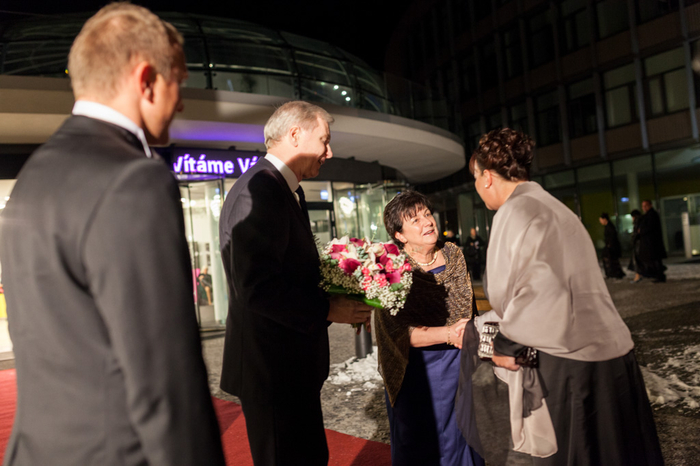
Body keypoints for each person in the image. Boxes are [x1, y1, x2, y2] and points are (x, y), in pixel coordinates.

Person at [0, 4, 225, 465]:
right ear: (146, 79)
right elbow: (167, 381)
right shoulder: (134, 179)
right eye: (179, 81)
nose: (182, 102)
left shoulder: (34, 175)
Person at [459, 128, 662, 465]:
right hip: (612, 354)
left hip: (568, 359)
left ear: (488, 177)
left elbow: (532, 289)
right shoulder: (555, 207)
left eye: (476, 179)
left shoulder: (515, 210)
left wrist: (505, 346)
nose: (478, 188)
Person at [218, 101, 373, 466]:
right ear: (294, 135)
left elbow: (288, 272)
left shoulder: (282, 189)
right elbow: (258, 287)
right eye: (324, 140)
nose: (329, 152)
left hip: (288, 370)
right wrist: (328, 308)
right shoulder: (260, 190)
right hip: (273, 371)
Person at [375, 191, 484, 466]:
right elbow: (397, 333)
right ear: (399, 235)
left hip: (458, 362)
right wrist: (449, 333)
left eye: (427, 214)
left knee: (462, 437)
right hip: (415, 370)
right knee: (422, 443)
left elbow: (465, 310)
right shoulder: (390, 267)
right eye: (415, 219)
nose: (428, 222)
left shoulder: (453, 254)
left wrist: (460, 333)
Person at [636, 200, 667, 283]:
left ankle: (659, 276)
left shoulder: (652, 215)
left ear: (650, 205)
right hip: (651, 242)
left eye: (645, 206)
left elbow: (650, 227)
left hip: (652, 242)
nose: (644, 208)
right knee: (654, 259)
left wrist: (641, 230)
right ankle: (658, 275)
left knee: (655, 259)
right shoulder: (649, 215)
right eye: (643, 206)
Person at [599, 213, 625, 279]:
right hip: (611, 246)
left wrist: (609, 245)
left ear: (604, 219)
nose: (600, 221)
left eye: (601, 220)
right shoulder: (608, 226)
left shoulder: (609, 227)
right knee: (612, 260)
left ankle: (614, 274)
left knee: (612, 260)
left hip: (612, 247)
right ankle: (613, 273)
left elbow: (612, 237)